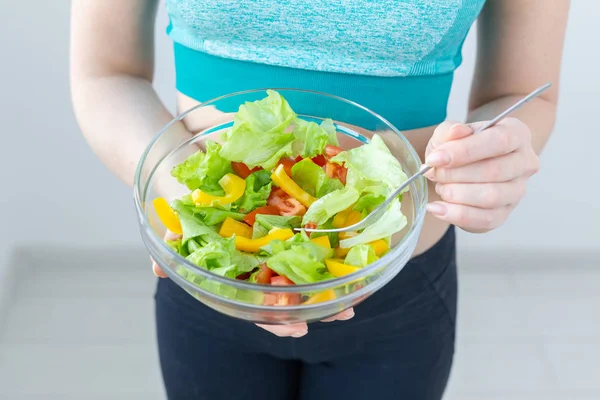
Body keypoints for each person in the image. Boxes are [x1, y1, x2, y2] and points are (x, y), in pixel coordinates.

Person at [70, 1, 569, 399]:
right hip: (209, 279)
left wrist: (492, 157)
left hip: (401, 291)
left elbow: (526, 93)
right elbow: (106, 72)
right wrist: (207, 212)